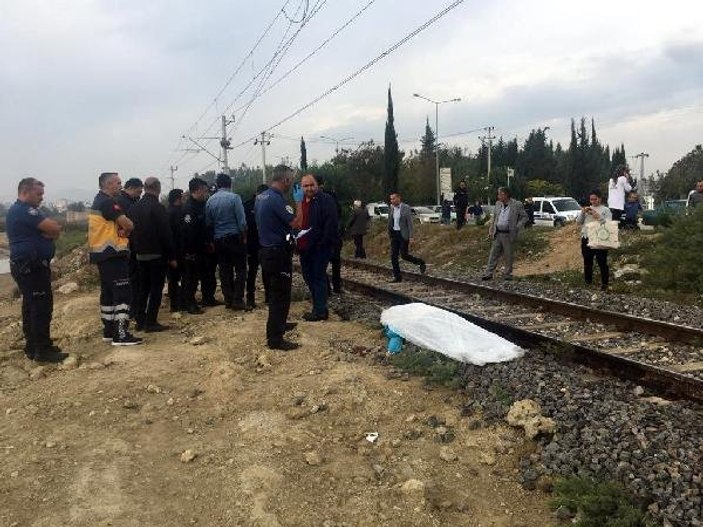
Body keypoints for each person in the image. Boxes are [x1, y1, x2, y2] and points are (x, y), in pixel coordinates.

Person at [7, 178, 67, 362]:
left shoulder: (24, 210)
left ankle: (34, 347)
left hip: (29, 266)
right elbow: (54, 229)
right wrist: (49, 233)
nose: (42, 198)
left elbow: (54, 230)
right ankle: (42, 350)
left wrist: (48, 233)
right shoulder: (25, 210)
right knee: (40, 307)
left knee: (31, 306)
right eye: (38, 194)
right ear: (25, 192)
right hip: (31, 267)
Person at [89, 172, 142, 345]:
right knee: (123, 293)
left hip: (103, 255)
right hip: (113, 254)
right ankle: (121, 334)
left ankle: (109, 330)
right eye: (118, 182)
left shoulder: (98, 201)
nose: (120, 185)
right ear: (108, 184)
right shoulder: (108, 202)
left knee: (108, 294)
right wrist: (127, 228)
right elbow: (128, 223)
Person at [255, 164, 303, 350]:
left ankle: (280, 324)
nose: (292, 183)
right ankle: (275, 338)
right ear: (285, 180)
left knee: (276, 293)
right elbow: (296, 222)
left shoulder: (261, 196)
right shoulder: (276, 199)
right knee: (281, 296)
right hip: (277, 253)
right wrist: (298, 202)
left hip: (267, 250)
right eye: (291, 179)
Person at [128, 177, 176, 332]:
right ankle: (151, 322)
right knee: (156, 289)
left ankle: (140, 321)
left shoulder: (134, 208)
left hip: (140, 255)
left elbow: (130, 233)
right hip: (156, 255)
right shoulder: (158, 207)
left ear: (145, 187)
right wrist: (171, 257)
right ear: (158, 188)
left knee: (143, 289)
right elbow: (165, 234)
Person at [297, 174, 339, 321]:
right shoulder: (301, 201)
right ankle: (318, 306)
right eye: (305, 186)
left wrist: (322, 243)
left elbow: (331, 222)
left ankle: (320, 311)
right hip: (304, 248)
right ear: (301, 187)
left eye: (311, 185)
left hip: (319, 248)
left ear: (317, 185)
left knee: (318, 277)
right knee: (308, 277)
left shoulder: (325, 200)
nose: (309, 188)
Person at [206, 173, 248, 310]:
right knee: (241, 270)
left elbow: (209, 223)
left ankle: (228, 300)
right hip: (234, 238)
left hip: (219, 240)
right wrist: (244, 236)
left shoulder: (210, 201)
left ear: (217, 185)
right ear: (229, 184)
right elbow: (242, 221)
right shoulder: (234, 198)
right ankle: (238, 299)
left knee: (224, 271)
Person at [482, 187, 528, 281]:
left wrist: (517, 226)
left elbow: (524, 217)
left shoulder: (516, 204)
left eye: (500, 194)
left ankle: (507, 273)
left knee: (508, 255)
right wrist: (491, 230)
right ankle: (488, 273)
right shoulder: (498, 204)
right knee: (493, 254)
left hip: (509, 233)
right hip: (498, 232)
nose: (498, 196)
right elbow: (494, 218)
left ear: (506, 195)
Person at [180, 177, 210, 315]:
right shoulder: (189, 208)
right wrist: (190, 252)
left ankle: (206, 298)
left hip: (201, 248)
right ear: (197, 190)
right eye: (205, 191)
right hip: (191, 250)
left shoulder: (200, 205)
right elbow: (188, 233)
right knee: (191, 278)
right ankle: (189, 304)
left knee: (201, 275)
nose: (206, 193)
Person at [116, 178, 143, 318]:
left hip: (133, 244)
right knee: (131, 278)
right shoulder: (122, 202)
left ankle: (135, 307)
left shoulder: (131, 201)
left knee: (135, 277)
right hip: (126, 245)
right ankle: (132, 309)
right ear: (131, 188)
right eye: (138, 191)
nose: (139, 194)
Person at [577, 189, 612, 291]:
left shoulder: (606, 210)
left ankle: (604, 284)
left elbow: (608, 224)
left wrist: (598, 217)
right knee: (587, 262)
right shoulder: (587, 209)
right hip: (586, 238)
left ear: (600, 199)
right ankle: (588, 282)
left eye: (595, 199)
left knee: (602, 262)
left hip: (599, 238)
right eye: (591, 199)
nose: (592, 201)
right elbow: (579, 222)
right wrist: (583, 213)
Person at [388, 192, 426, 282]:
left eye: (393, 199)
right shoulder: (391, 209)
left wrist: (411, 236)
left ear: (398, 198)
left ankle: (420, 262)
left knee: (404, 255)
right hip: (394, 234)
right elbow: (390, 221)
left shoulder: (405, 208)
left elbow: (410, 223)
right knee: (394, 256)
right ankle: (397, 276)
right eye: (391, 199)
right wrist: (389, 232)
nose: (392, 201)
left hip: (403, 234)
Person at [243, 184, 271, 309]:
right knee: (253, 272)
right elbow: (243, 225)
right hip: (253, 244)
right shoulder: (248, 205)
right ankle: (250, 298)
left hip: (265, 243)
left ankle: (268, 297)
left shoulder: (269, 204)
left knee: (266, 271)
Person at [317, 176, 343, 294]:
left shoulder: (312, 198)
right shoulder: (331, 195)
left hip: (322, 236)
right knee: (335, 263)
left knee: (321, 265)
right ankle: (337, 287)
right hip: (334, 235)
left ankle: (327, 288)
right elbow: (339, 212)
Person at [166, 188, 184, 312]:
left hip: (172, 251)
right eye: (182, 196)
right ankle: (178, 303)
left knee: (173, 278)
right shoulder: (176, 213)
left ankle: (176, 303)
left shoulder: (167, 212)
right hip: (177, 251)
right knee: (176, 278)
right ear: (178, 198)